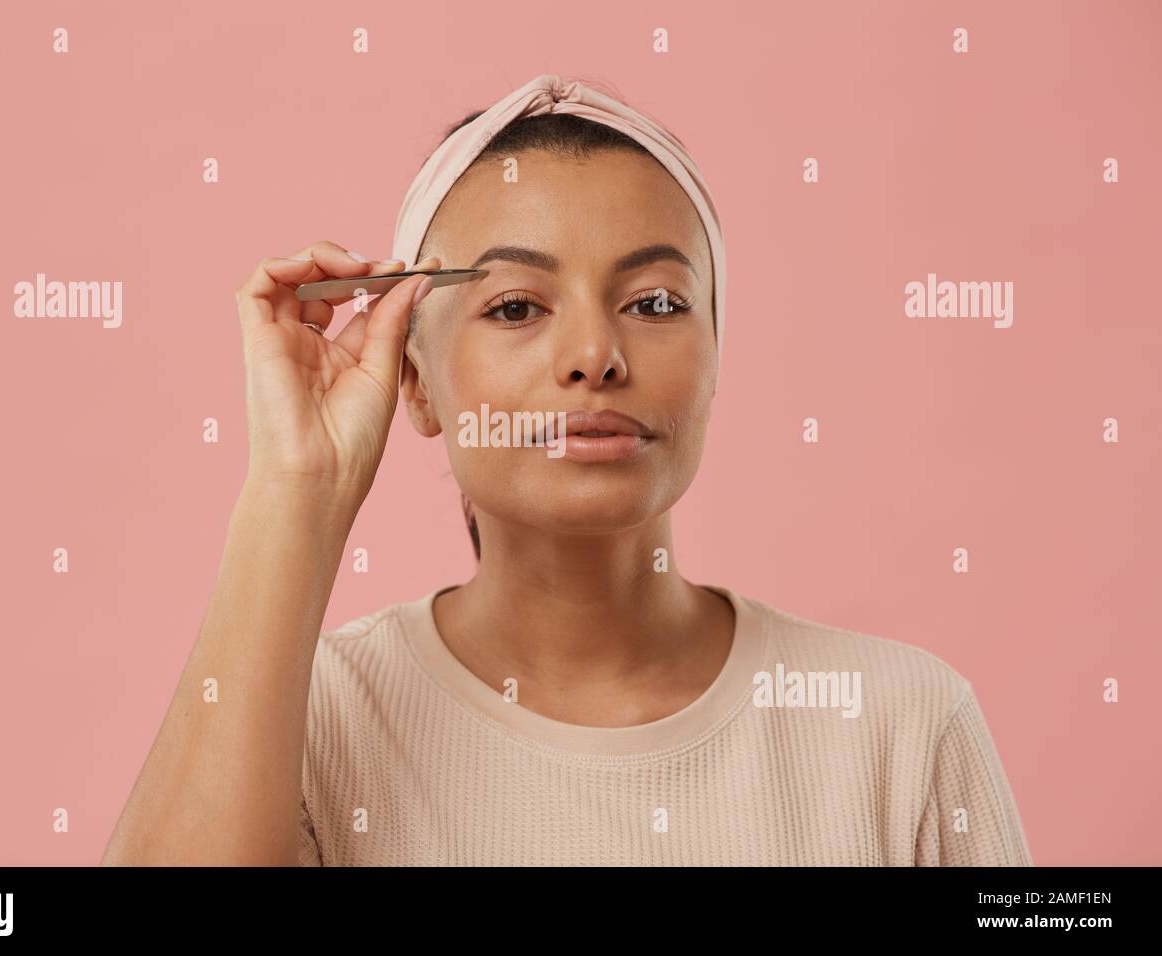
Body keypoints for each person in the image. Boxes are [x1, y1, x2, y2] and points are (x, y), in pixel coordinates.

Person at [100, 74, 1032, 866]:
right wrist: (296, 488)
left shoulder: (902, 725)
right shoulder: (297, 723)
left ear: (717, 357)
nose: (595, 354)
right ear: (415, 384)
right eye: (514, 307)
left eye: (656, 301)